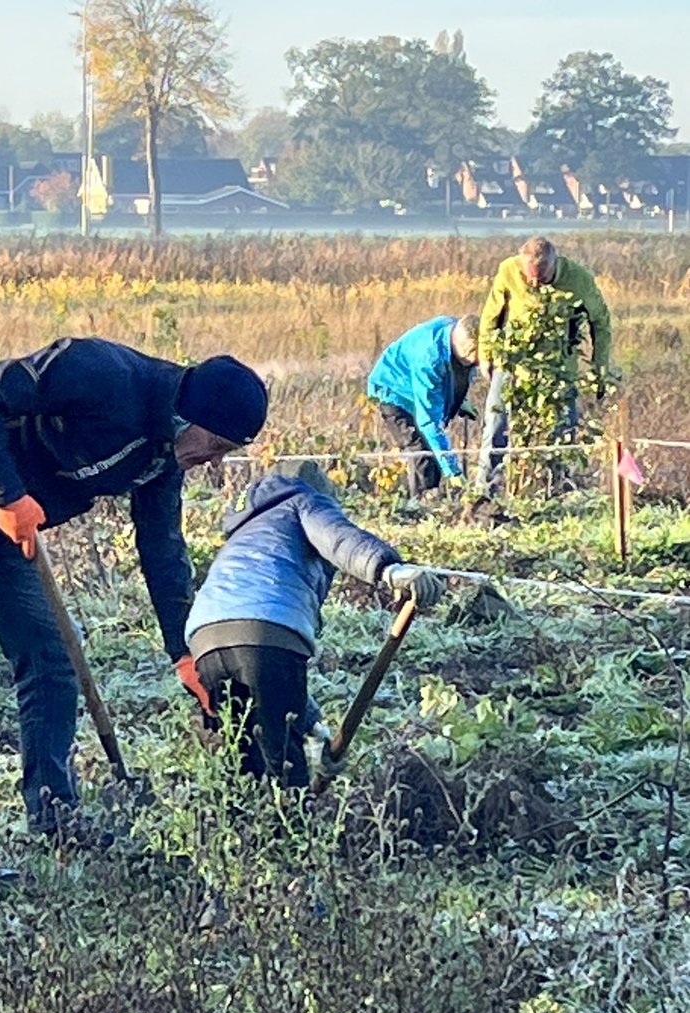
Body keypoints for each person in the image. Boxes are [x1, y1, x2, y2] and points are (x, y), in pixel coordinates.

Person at [0, 336, 268, 882]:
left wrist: (185, 651)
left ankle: (54, 814)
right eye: (217, 444)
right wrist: (6, 494)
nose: (213, 460)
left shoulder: (162, 460)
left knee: (56, 660)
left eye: (228, 453)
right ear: (189, 415)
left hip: (1, 534)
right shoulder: (100, 372)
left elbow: (162, 550)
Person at [185, 460, 445, 790]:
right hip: (267, 630)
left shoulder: (245, 531)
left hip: (205, 641)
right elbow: (338, 539)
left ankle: (247, 838)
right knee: (285, 769)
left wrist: (313, 727)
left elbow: (271, 680)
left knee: (243, 768)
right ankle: (293, 834)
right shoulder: (303, 500)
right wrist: (390, 570)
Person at [476, 235, 612, 494]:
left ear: (554, 264)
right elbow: (490, 316)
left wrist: (599, 370)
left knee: (563, 429)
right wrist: (485, 355)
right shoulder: (508, 270)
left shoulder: (579, 279)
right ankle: (485, 491)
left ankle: (557, 489)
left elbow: (601, 323)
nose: (536, 283)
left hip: (558, 368)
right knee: (495, 425)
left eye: (543, 276)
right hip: (513, 362)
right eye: (530, 278)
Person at [367, 315, 480, 498]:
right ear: (468, 348)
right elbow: (428, 423)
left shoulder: (456, 336)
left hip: (417, 384)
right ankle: (421, 507)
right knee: (421, 452)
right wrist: (453, 471)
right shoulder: (430, 358)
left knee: (433, 452)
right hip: (393, 390)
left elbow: (452, 375)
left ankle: (431, 500)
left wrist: (458, 400)